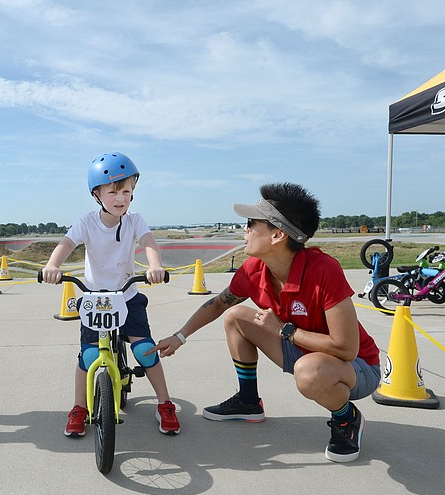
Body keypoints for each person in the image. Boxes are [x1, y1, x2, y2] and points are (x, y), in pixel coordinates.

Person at [147, 182, 380, 462]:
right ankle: (248, 402)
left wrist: (283, 330)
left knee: (309, 373)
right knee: (236, 317)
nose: (243, 230)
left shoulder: (324, 270)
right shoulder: (254, 268)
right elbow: (219, 304)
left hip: (357, 367)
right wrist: (180, 336)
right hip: (304, 350)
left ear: (277, 234)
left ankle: (346, 418)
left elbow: (346, 349)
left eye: (250, 224)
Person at [41, 152, 180, 436]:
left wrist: (155, 266)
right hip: (94, 301)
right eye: (113, 191)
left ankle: (165, 403)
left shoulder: (134, 221)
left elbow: (149, 242)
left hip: (127, 297)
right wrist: (53, 265)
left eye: (126, 191)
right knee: (89, 357)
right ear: (97, 195)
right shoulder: (86, 222)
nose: (121, 198)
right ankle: (79, 407)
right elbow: (67, 244)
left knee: (143, 349)